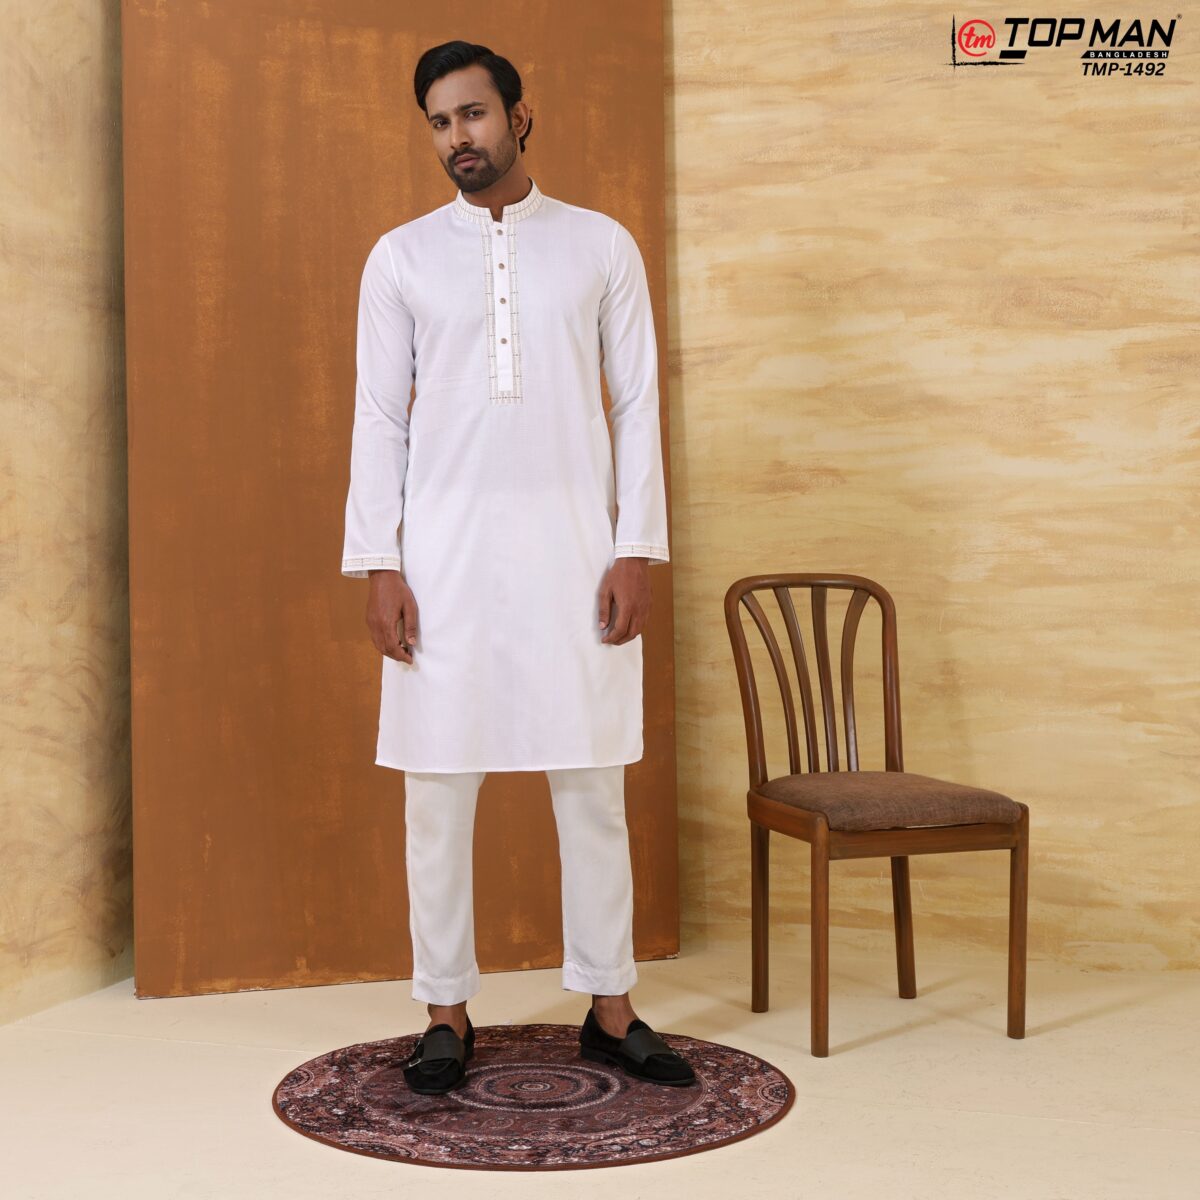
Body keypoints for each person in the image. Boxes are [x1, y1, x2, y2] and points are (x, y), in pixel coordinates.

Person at [341, 39, 694, 1095]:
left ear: (519, 116)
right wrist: (379, 562)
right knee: (437, 792)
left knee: (591, 784)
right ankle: (445, 1011)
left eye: (474, 114)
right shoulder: (400, 258)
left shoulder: (600, 246)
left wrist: (635, 547)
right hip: (441, 560)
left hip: (575, 553)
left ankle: (610, 1006)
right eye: (440, 122)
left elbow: (637, 405)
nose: (458, 137)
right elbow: (378, 418)